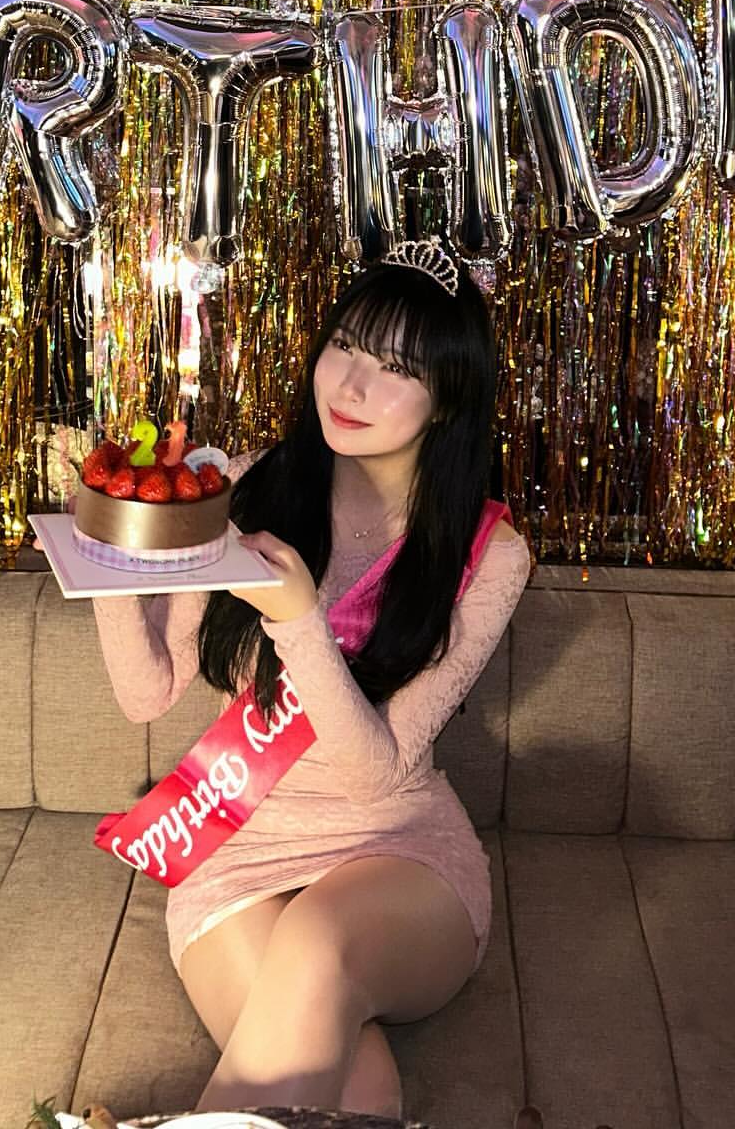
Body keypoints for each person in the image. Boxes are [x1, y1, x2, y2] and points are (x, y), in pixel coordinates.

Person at [87, 247, 532, 1113]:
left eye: (397, 369)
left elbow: (377, 773)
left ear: (450, 399)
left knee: (318, 936)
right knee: (359, 1092)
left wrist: (298, 619)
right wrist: (109, 563)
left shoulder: (489, 555)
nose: (352, 384)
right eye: (346, 346)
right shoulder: (250, 485)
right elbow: (150, 693)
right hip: (239, 846)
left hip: (399, 848)